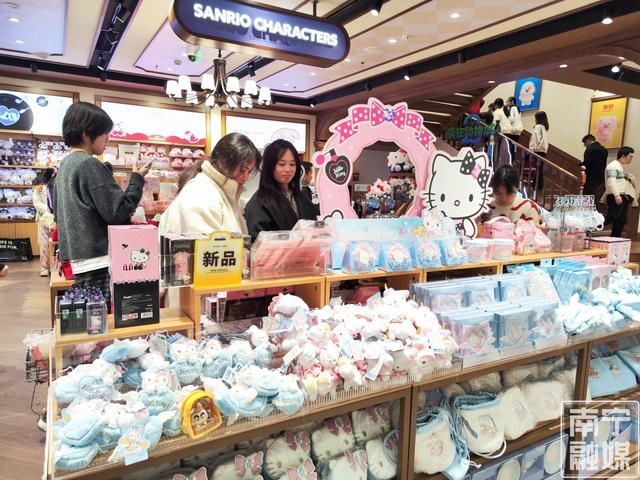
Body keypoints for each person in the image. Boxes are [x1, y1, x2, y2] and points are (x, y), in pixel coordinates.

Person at [54, 102, 150, 307]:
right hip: (98, 259)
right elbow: (118, 211)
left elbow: (57, 214)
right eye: (105, 133)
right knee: (102, 317)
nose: (108, 139)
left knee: (92, 316)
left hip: (80, 257)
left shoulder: (65, 165)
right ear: (87, 133)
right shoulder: (88, 164)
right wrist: (137, 179)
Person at [160, 133, 260, 235]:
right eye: (243, 170)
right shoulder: (202, 194)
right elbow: (205, 243)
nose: (246, 177)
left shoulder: (219, 191)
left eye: (249, 171)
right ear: (224, 163)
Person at [245, 139, 317, 241]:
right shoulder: (259, 202)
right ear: (270, 166)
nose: (288, 169)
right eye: (281, 164)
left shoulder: (302, 197)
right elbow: (257, 242)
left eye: (292, 164)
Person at [602, 147, 636, 237]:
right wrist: (616, 195)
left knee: (621, 220)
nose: (631, 159)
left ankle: (615, 239)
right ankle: (590, 227)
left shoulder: (619, 166)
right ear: (623, 156)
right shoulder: (613, 166)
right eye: (630, 157)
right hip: (616, 195)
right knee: (612, 217)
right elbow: (611, 182)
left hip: (622, 196)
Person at [33, 167, 56, 277]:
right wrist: (47, 210)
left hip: (56, 218)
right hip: (44, 218)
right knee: (44, 243)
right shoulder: (40, 187)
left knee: (56, 243)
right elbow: (36, 202)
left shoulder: (57, 185)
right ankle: (44, 267)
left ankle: (56, 266)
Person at [528, 111, 550, 191]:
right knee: (539, 169)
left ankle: (536, 186)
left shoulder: (538, 127)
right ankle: (538, 186)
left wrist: (531, 150)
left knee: (536, 169)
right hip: (543, 151)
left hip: (537, 150)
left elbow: (535, 139)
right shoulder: (544, 127)